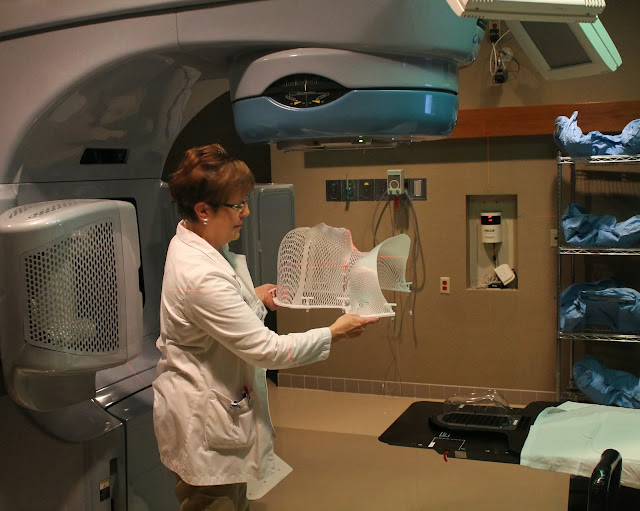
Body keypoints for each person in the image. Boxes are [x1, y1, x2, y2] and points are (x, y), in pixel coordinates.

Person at [152, 143, 378, 511]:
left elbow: (213, 318)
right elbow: (268, 350)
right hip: (202, 422)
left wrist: (255, 299)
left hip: (212, 406)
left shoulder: (199, 244)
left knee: (233, 499)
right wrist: (335, 332)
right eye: (237, 204)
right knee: (215, 502)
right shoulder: (199, 274)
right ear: (203, 210)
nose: (246, 212)